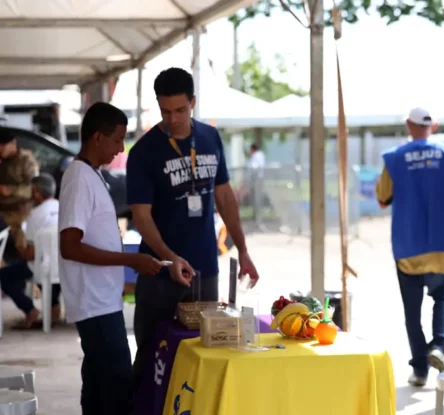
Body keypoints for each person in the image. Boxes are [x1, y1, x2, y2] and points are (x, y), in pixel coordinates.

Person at [127, 67, 260, 386]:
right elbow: (141, 218)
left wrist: (243, 250)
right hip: (159, 271)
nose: (172, 119)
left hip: (204, 270)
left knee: (204, 351)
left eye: (180, 110)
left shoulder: (210, 137)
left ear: (193, 103)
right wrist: (170, 259)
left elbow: (225, 197)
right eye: (165, 111)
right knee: (152, 356)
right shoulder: (145, 151)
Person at [58, 102, 163, 415]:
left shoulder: (91, 175)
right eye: (117, 140)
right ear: (97, 138)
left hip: (102, 300)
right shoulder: (79, 178)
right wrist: (129, 261)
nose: (120, 149)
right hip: (94, 304)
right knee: (117, 386)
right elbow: (70, 246)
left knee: (97, 384)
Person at [375, 107, 444, 387]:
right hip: (442, 244)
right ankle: (438, 346)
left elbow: (382, 198)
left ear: (408, 125)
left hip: (408, 246)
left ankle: (419, 370)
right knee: (442, 298)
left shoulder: (394, 158)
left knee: (412, 313)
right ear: (434, 126)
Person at [0, 173, 61, 329]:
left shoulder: (35, 214)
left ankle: (30, 309)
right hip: (66, 266)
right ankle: (54, 308)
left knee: (5, 275)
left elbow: (30, 255)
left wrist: (19, 245)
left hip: (45, 268)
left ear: (35, 192)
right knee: (47, 264)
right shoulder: (64, 208)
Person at [0, 129, 40, 253]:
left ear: (12, 144)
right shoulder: (3, 161)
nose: (0, 149)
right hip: (3, 212)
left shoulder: (26, 160)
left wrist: (11, 190)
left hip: (20, 213)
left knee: (23, 249)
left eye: (2, 146)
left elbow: (34, 187)